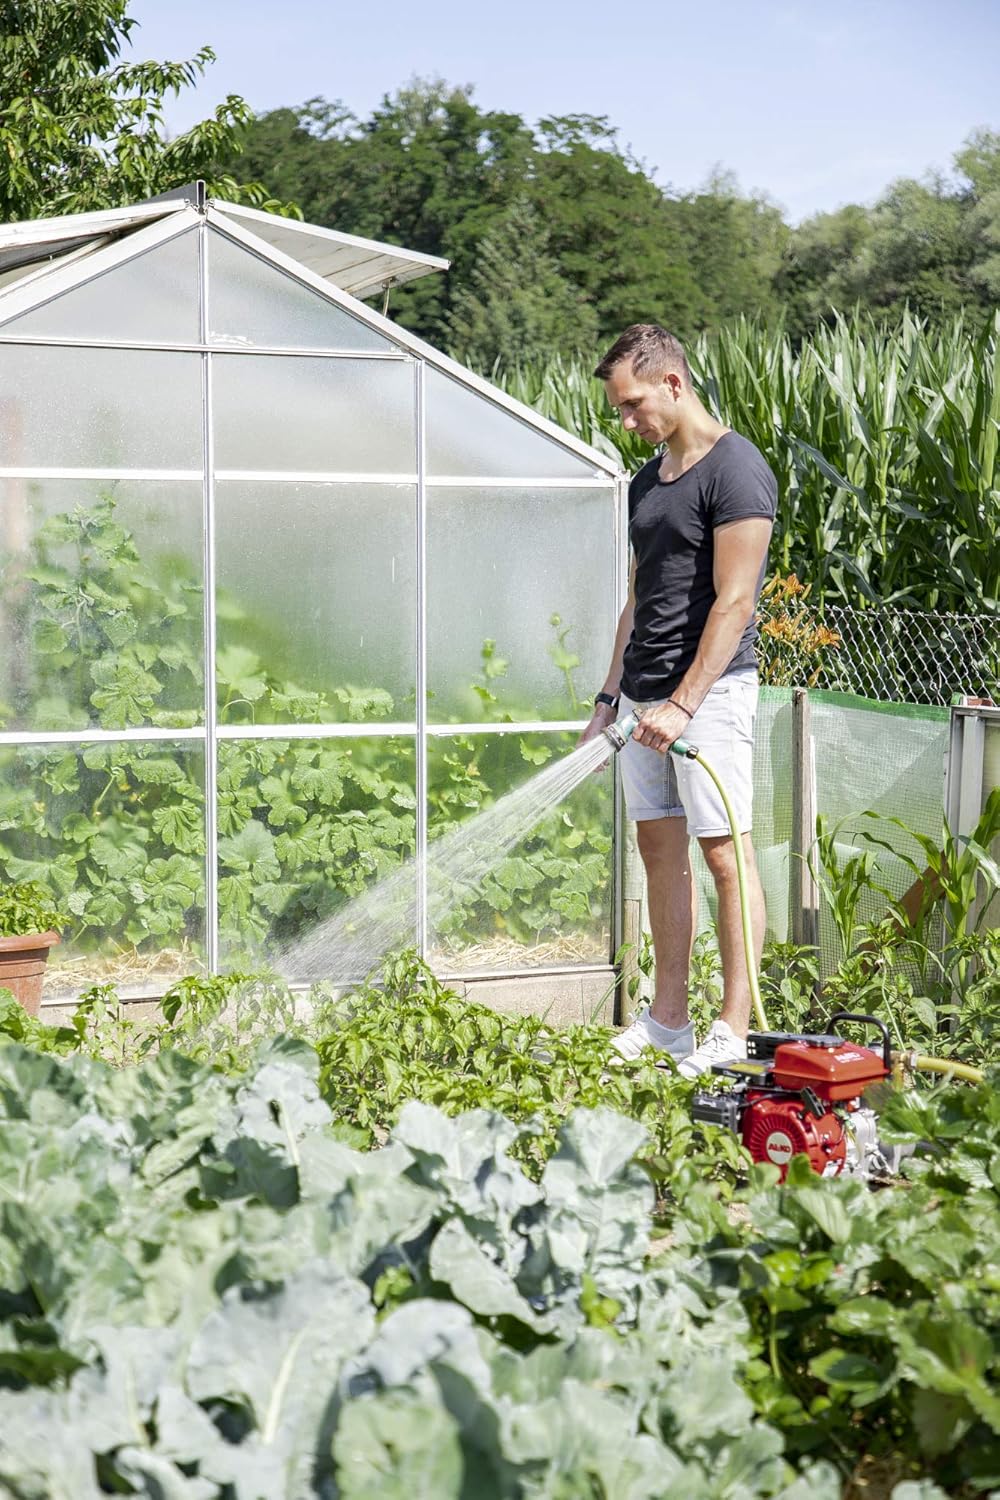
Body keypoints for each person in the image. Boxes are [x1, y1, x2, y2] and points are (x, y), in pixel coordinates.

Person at [580, 324, 776, 1077]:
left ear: (671, 383)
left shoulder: (736, 469)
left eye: (633, 405)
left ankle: (731, 1027)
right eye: (620, 410)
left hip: (711, 694)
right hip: (643, 697)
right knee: (658, 852)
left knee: (725, 854)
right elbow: (637, 601)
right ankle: (668, 1023)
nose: (627, 421)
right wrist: (609, 700)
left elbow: (735, 601)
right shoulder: (646, 482)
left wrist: (686, 704)